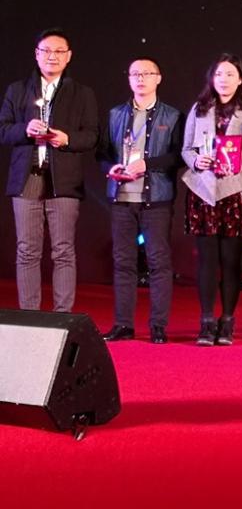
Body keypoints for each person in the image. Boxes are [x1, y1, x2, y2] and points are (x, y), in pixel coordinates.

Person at [0, 28, 98, 312]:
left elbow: (92, 136)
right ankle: (30, 315)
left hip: (64, 181)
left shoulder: (82, 94)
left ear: (68, 56)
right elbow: (3, 130)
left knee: (63, 250)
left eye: (58, 51)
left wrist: (66, 139)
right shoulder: (18, 90)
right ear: (36, 54)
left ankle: (62, 316)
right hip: (27, 178)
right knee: (27, 250)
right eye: (46, 51)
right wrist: (25, 129)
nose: (52, 56)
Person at [97, 58, 183, 343]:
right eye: (135, 73)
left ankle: (158, 325)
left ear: (159, 78)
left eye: (147, 73)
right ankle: (123, 324)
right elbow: (102, 152)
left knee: (158, 261)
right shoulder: (115, 114)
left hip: (156, 198)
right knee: (123, 262)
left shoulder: (172, 115)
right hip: (121, 197)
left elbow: (178, 156)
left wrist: (148, 164)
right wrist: (110, 168)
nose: (141, 78)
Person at [181, 53, 242, 346]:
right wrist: (197, 161)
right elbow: (186, 149)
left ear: (240, 79)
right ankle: (206, 321)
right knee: (206, 260)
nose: (224, 80)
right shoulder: (200, 108)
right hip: (203, 190)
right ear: (211, 79)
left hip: (235, 190)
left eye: (230, 74)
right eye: (218, 74)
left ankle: (227, 321)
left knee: (231, 260)